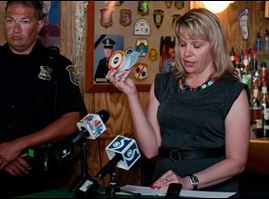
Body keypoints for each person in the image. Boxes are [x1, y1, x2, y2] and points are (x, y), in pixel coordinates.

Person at [106, 8, 250, 195]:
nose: (187, 53)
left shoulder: (232, 91)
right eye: (182, 44)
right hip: (164, 184)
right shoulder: (163, 83)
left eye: (196, 46)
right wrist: (132, 95)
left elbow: (237, 162)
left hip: (213, 191)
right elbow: (150, 150)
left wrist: (188, 182)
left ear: (214, 46)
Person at [0, 1, 87, 197]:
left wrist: (17, 146)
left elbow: (71, 120)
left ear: (39, 25)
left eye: (25, 21)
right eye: (10, 20)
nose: (16, 29)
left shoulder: (58, 66)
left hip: (41, 176)